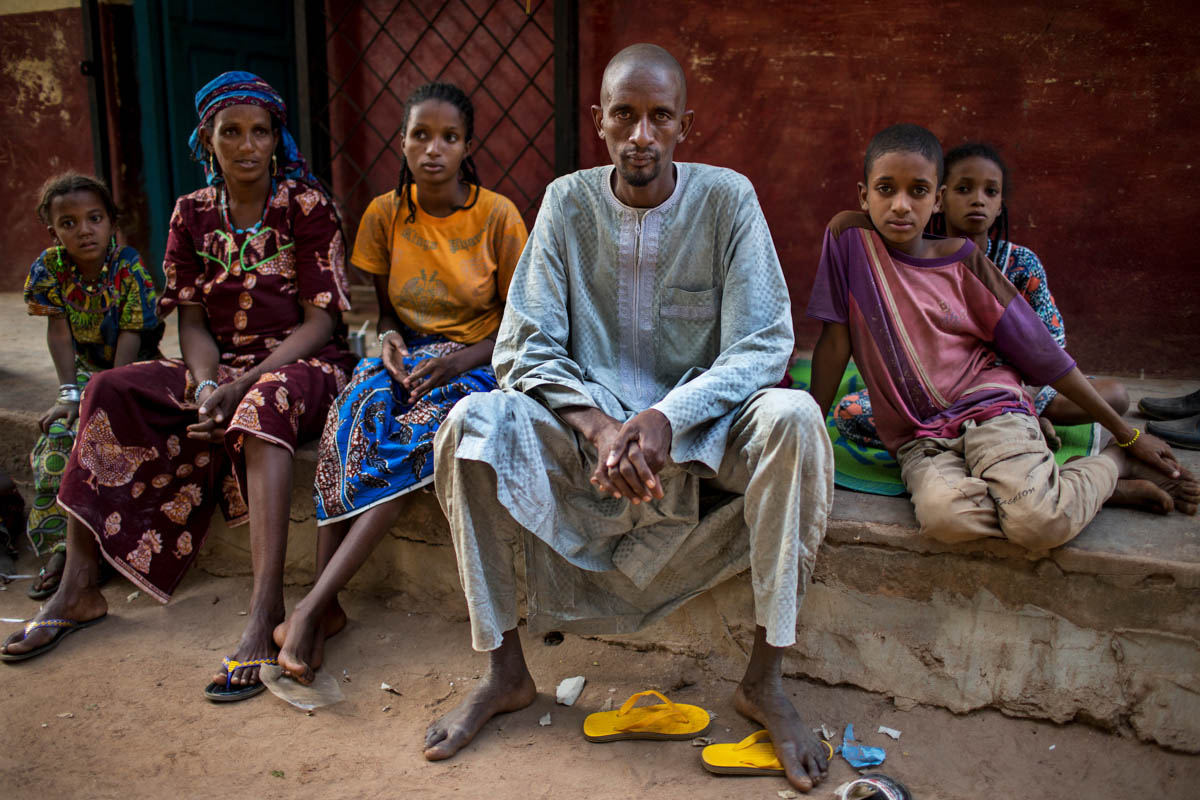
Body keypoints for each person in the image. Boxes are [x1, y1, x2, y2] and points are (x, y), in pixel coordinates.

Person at [424, 44, 835, 793]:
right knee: (469, 426)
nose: (641, 133)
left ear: (685, 124)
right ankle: (504, 671)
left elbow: (765, 341)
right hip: (589, 437)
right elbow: (523, 344)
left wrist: (665, 417)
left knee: (796, 417)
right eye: (624, 115)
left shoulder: (727, 199)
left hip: (703, 429)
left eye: (659, 116)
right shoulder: (566, 202)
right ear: (600, 123)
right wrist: (601, 428)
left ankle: (765, 680)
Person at [1, 72, 357, 704]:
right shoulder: (190, 214)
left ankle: (262, 611)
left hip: (307, 366)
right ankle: (78, 586)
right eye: (231, 132)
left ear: (278, 138)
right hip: (216, 370)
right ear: (207, 139)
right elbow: (192, 320)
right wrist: (201, 387)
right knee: (108, 387)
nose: (248, 145)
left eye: (261, 131)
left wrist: (241, 382)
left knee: (261, 401)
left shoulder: (305, 207)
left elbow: (322, 320)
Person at [807, 124, 1198, 553]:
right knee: (947, 520)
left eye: (918, 191)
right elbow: (833, 343)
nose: (901, 205)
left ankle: (1112, 464)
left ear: (935, 199)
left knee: (1038, 528)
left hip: (991, 409)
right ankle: (1081, 490)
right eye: (886, 189)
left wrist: (1126, 436)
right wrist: (808, 433)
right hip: (921, 436)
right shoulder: (849, 240)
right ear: (864, 196)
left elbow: (1043, 353)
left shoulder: (965, 262)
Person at [275, 82, 528, 683]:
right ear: (404, 141)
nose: (433, 149)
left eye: (449, 137)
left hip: (478, 365)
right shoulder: (386, 213)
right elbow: (377, 309)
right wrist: (385, 339)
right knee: (348, 420)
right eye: (421, 135)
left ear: (468, 146)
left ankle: (308, 610)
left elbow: (525, 323)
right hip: (406, 355)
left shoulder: (497, 215)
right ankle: (326, 603)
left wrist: (462, 361)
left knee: (410, 446)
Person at [831, 142, 1128, 451]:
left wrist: (1002, 377)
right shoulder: (909, 261)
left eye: (990, 192)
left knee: (1115, 396)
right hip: (938, 390)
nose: (977, 200)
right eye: (964, 189)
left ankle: (997, 419)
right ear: (940, 199)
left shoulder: (1020, 263)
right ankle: (1009, 425)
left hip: (1014, 384)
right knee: (850, 413)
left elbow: (1051, 343)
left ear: (1000, 205)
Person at [21, 173, 162, 599]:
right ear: (53, 231)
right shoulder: (50, 269)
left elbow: (133, 338)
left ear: (111, 222)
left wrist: (104, 397)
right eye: (69, 223)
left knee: (105, 438)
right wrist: (69, 394)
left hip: (134, 370)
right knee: (58, 442)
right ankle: (61, 551)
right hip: (86, 370)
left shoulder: (128, 267)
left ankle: (106, 549)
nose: (83, 230)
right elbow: (60, 332)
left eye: (94, 218)